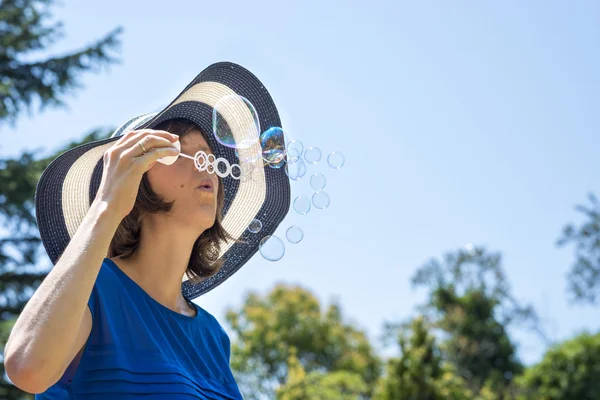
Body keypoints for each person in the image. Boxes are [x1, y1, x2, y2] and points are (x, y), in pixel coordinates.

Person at [4, 62, 291, 399]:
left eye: (211, 156)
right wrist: (107, 203)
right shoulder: (95, 290)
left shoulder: (212, 337)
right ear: (135, 178)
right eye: (183, 150)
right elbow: (26, 368)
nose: (208, 165)